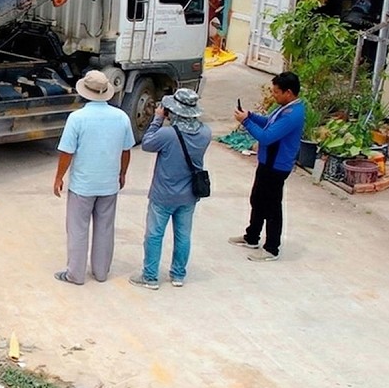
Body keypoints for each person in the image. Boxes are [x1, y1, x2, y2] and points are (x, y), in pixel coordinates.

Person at [52, 70, 135, 285]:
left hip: (83, 185)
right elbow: (126, 151)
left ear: (84, 92)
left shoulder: (77, 118)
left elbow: (67, 152)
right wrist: (122, 173)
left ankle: (75, 274)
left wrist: (59, 177)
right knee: (105, 228)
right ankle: (101, 272)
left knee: (78, 229)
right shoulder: (121, 117)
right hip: (109, 184)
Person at [129, 88, 211, 290]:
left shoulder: (167, 134)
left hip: (163, 195)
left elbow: (147, 143)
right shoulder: (205, 133)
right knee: (183, 235)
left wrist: (157, 119)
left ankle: (150, 277)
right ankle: (178, 275)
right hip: (189, 195)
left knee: (154, 235)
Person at [230, 71, 305, 261]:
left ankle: (272, 248)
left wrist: (245, 122)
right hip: (267, 162)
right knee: (257, 199)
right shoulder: (284, 107)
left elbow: (266, 136)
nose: (274, 95)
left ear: (288, 92)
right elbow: (268, 123)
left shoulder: (292, 114)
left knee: (272, 207)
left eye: (276, 92)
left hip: (276, 166)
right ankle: (252, 236)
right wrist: (251, 116)